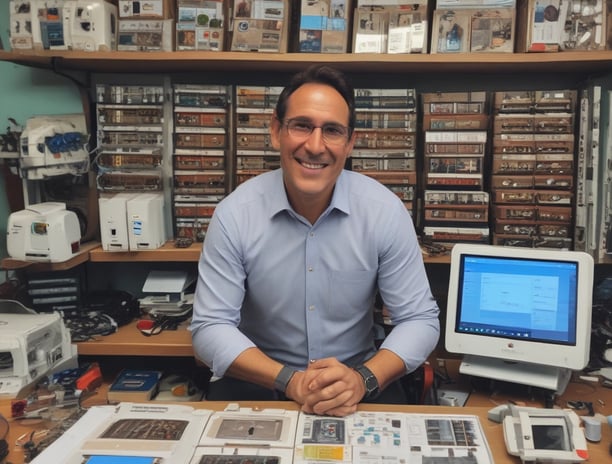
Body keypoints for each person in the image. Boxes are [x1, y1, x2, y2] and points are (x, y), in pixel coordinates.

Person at [191, 65, 440, 417]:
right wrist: (291, 380)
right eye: (302, 125)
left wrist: (362, 378)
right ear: (277, 131)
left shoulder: (384, 211)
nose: (315, 145)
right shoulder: (235, 215)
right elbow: (209, 327)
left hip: (356, 382)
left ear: (350, 143)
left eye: (333, 131)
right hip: (260, 379)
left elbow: (419, 319)